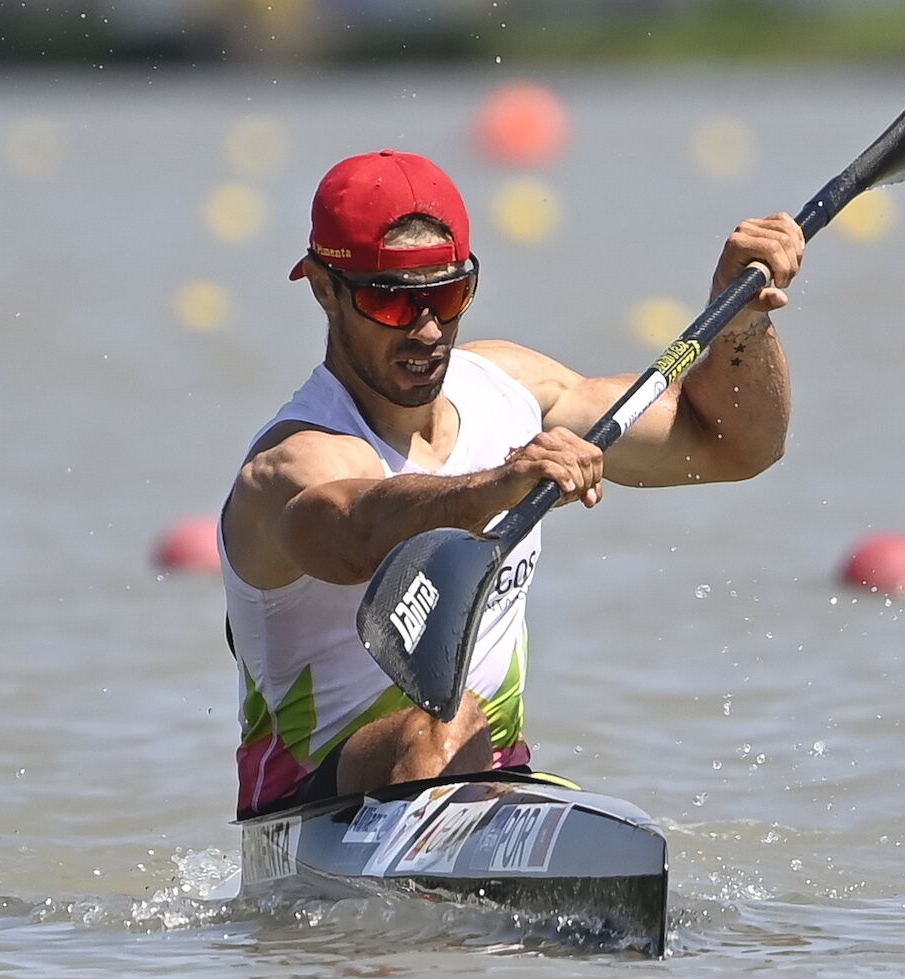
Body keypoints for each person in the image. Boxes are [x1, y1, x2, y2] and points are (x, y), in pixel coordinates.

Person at [220, 149, 804, 819]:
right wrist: (499, 484)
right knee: (444, 723)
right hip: (313, 812)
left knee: (464, 737)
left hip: (484, 782)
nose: (428, 329)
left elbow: (735, 448)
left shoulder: (514, 389)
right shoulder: (293, 460)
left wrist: (743, 321)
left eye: (447, 294)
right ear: (324, 288)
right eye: (390, 302)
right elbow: (354, 533)